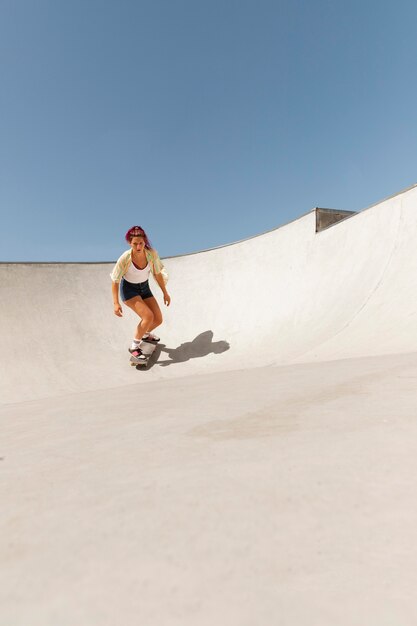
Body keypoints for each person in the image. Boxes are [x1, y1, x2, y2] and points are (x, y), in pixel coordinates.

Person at [110, 226, 170, 362]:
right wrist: (116, 303)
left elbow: (157, 273)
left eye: (141, 243)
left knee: (158, 319)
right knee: (148, 316)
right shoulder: (125, 258)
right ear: (130, 243)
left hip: (145, 288)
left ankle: (146, 334)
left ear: (145, 242)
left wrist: (165, 293)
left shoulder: (151, 254)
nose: (138, 246)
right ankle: (134, 347)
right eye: (135, 243)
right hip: (129, 290)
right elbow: (115, 281)